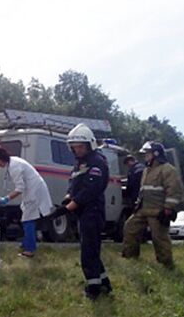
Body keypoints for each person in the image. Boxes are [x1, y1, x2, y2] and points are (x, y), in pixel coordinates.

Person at [50, 123, 112, 300]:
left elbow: (91, 189)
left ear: (89, 145)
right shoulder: (80, 163)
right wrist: (68, 197)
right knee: (91, 250)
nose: (76, 150)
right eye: (74, 147)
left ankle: (93, 289)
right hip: (83, 212)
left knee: (88, 252)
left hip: (92, 211)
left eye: (80, 147)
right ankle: (104, 284)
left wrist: (70, 206)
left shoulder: (97, 162)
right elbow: (74, 183)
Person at [122, 141, 184, 268]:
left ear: (156, 154)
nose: (145, 156)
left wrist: (168, 208)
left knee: (159, 238)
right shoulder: (147, 170)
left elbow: (174, 191)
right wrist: (137, 205)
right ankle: (130, 258)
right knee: (129, 228)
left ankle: (166, 264)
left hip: (158, 211)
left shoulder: (168, 170)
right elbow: (144, 190)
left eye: (148, 153)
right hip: (143, 209)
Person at [0, 147, 52, 258]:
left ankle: (29, 250)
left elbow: (20, 188)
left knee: (28, 220)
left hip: (34, 192)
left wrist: (6, 199)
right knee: (26, 217)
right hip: (33, 190)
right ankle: (25, 244)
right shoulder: (13, 162)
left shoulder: (14, 166)